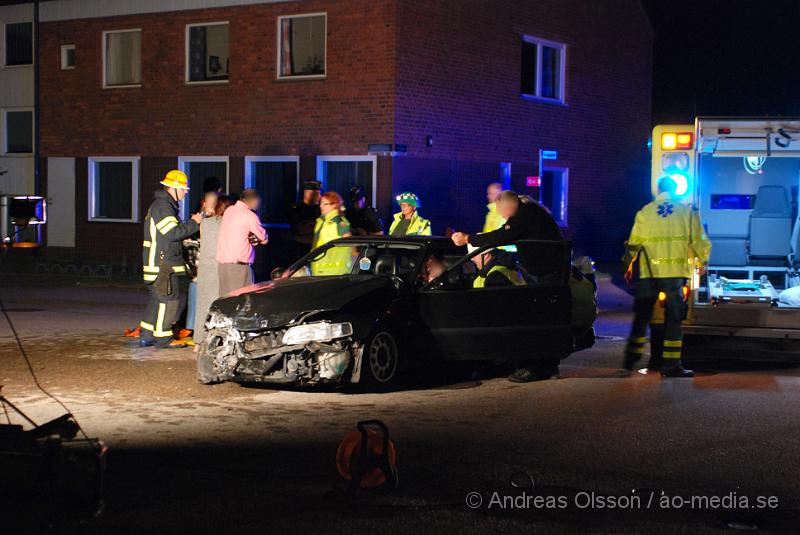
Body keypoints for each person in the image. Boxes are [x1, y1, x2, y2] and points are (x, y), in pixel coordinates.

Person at [451, 190, 563, 383]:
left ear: (509, 205)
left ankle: (535, 368)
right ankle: (548, 366)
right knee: (545, 319)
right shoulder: (530, 211)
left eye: (502, 211)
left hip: (546, 275)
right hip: (548, 273)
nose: (502, 216)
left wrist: (468, 239)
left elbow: (503, 236)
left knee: (534, 321)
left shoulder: (524, 215)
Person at [622, 176, 711, 378]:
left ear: (658, 190)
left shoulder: (645, 212)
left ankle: (630, 358)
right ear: (675, 190)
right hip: (674, 275)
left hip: (649, 274)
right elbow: (699, 239)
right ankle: (671, 365)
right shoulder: (686, 212)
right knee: (673, 319)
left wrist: (627, 265)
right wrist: (702, 261)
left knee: (642, 316)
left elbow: (633, 243)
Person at [140, 170, 202, 348]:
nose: (185, 192)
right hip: (164, 265)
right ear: (173, 188)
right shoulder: (163, 207)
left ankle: (147, 334)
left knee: (156, 300)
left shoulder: (162, 206)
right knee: (169, 300)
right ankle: (164, 338)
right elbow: (172, 233)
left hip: (158, 263)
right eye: (183, 189)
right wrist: (193, 223)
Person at [193, 195, 231, 352]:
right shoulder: (226, 224)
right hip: (217, 266)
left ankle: (197, 342)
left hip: (203, 267)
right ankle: (218, 339)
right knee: (218, 304)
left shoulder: (205, 223)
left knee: (202, 304)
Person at [216, 188, 268, 296]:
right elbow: (263, 239)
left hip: (223, 266)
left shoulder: (229, 211)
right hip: (239, 268)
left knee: (226, 303)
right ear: (254, 200)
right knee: (241, 304)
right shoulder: (249, 215)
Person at [310, 192, 352, 275]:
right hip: (318, 269)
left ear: (334, 205)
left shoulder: (339, 222)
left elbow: (350, 246)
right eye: (320, 203)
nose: (320, 206)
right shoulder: (321, 222)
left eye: (325, 204)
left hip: (334, 272)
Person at [288, 180, 322, 262]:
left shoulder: (321, 208)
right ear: (307, 193)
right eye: (316, 194)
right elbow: (299, 229)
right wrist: (314, 226)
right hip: (300, 250)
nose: (320, 197)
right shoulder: (297, 208)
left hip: (317, 249)